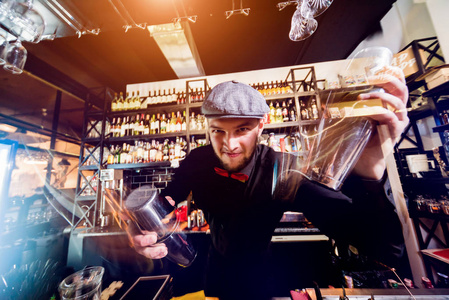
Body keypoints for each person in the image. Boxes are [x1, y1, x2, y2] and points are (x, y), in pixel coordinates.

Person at [129, 72, 409, 299]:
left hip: (262, 279)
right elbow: (166, 200)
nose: (230, 144)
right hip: (215, 273)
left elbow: (384, 249)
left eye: (242, 129)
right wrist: (141, 224)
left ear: (262, 125)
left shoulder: (284, 169)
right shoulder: (197, 160)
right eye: (218, 131)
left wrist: (371, 174)